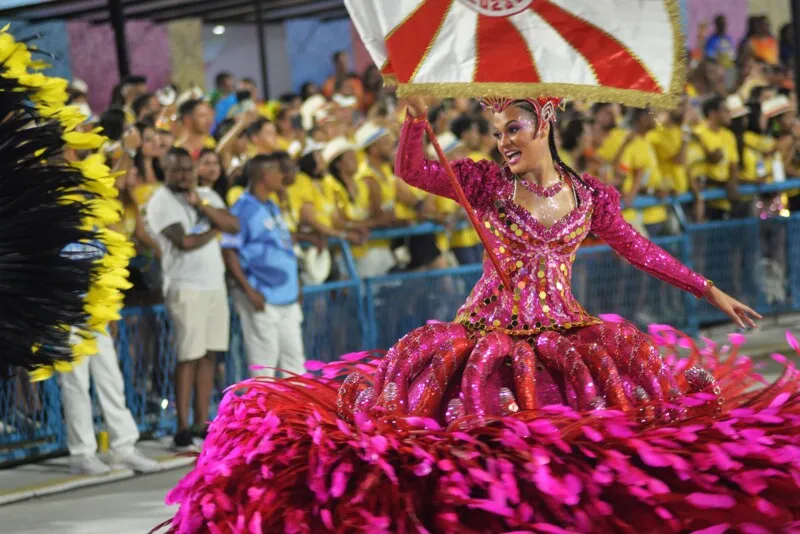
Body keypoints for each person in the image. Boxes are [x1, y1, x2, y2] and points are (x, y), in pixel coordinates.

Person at [163, 94, 800, 533]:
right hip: (485, 341)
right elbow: (413, 169)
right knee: (474, 448)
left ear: (544, 123)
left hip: (566, 339)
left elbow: (639, 249)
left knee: (573, 455)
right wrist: (416, 118)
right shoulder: (486, 184)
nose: (503, 143)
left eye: (513, 131)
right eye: (496, 135)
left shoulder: (588, 198)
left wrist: (708, 289)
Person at [145, 147, 240, 450]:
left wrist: (205, 207)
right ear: (166, 170)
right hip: (186, 286)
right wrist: (214, 227)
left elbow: (234, 224)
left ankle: (202, 423)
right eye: (177, 170)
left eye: (188, 169)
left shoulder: (205, 194)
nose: (184, 175)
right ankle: (182, 428)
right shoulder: (160, 201)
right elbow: (184, 242)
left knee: (209, 355)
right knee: (188, 357)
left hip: (214, 285)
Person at [221, 154, 306, 379]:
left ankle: (296, 414)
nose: (282, 176)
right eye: (277, 172)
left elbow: (284, 247)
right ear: (263, 176)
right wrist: (249, 290)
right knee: (264, 368)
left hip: (286, 296)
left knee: (294, 365)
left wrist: (296, 284)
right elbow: (228, 251)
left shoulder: (271, 205)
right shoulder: (243, 208)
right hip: (261, 296)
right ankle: (261, 414)